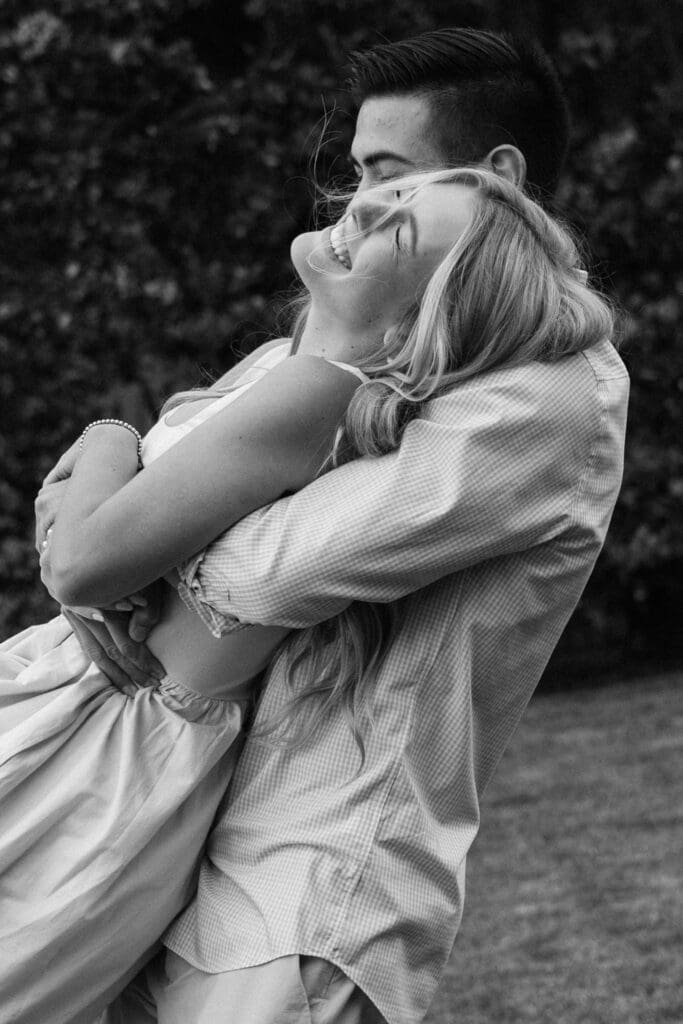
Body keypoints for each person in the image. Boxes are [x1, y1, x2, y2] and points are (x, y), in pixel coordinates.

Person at [41, 29, 628, 1024]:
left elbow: (267, 574)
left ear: (495, 179)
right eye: (354, 173)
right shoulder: (365, 335)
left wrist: (134, 542)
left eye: (387, 173)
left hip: (310, 878)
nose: (355, 206)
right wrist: (110, 457)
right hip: (165, 841)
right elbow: (166, 442)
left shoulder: (549, 394)